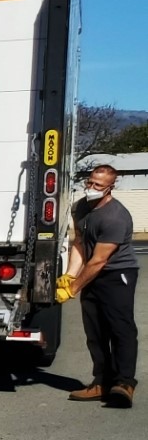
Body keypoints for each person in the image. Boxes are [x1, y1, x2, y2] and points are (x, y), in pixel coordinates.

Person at [66, 162, 137, 408]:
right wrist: (69, 277)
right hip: (91, 273)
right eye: (90, 182)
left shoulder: (116, 216)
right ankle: (101, 382)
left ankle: (124, 383)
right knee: (95, 331)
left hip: (117, 274)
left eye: (98, 185)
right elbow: (79, 244)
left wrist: (74, 289)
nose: (91, 187)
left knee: (120, 328)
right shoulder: (80, 208)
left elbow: (98, 260)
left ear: (110, 188)